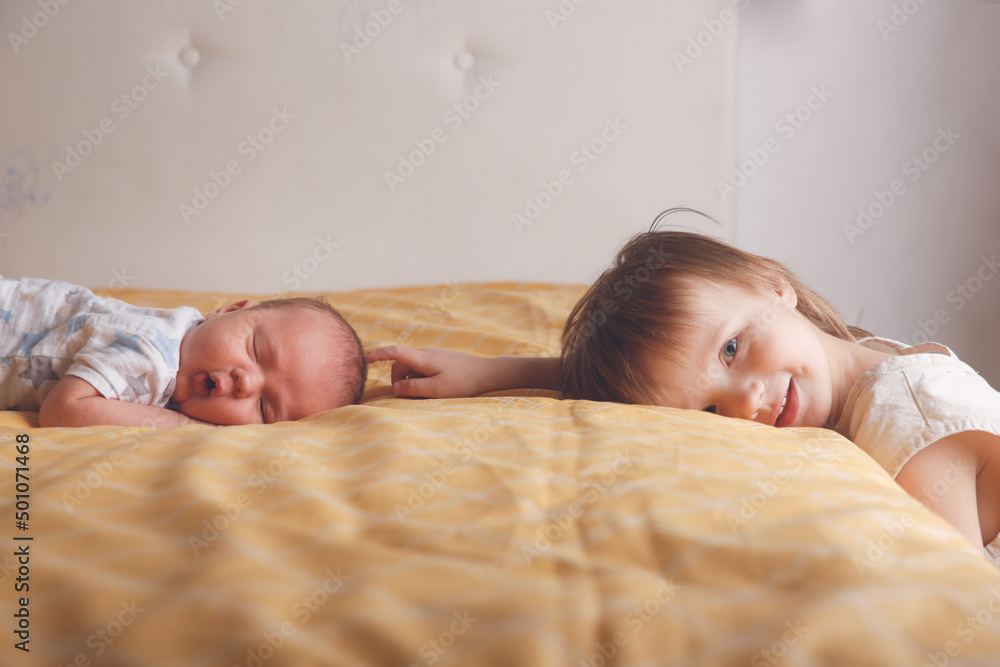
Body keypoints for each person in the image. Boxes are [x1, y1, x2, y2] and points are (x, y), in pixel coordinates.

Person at [366, 212, 1000, 561]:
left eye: (732, 348)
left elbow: (958, 609)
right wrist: (500, 372)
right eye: (710, 412)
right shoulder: (861, 363)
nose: (745, 400)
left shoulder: (905, 412)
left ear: (771, 283)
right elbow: (670, 380)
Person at [1, 276, 366, 427]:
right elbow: (61, 410)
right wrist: (182, 427)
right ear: (229, 310)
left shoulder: (181, 333)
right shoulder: (155, 360)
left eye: (264, 408)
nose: (245, 382)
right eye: (256, 350)